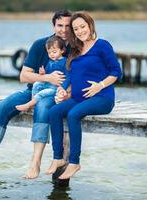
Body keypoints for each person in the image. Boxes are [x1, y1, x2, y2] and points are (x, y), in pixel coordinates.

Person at [0, 10, 72, 179]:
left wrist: (64, 91)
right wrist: (47, 77)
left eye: (68, 26)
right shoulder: (41, 45)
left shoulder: (75, 48)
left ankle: (35, 162)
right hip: (33, 90)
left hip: (58, 95)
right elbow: (24, 76)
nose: (64, 30)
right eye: (60, 25)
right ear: (53, 25)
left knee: (43, 107)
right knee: (1, 108)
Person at [46, 12, 122, 179]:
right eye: (76, 29)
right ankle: (58, 158)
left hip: (102, 98)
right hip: (79, 98)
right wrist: (62, 88)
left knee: (73, 114)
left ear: (90, 25)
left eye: (83, 27)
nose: (80, 31)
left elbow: (116, 71)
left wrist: (100, 85)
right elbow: (71, 74)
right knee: (54, 112)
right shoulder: (76, 49)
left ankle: (74, 162)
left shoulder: (102, 45)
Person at [16, 36, 70, 112]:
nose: (51, 54)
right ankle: (33, 101)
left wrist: (63, 87)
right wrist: (43, 73)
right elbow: (48, 74)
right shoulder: (50, 62)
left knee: (43, 92)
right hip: (48, 84)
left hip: (57, 88)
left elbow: (69, 76)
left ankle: (29, 105)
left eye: (54, 52)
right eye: (49, 53)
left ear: (62, 50)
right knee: (36, 84)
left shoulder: (65, 62)